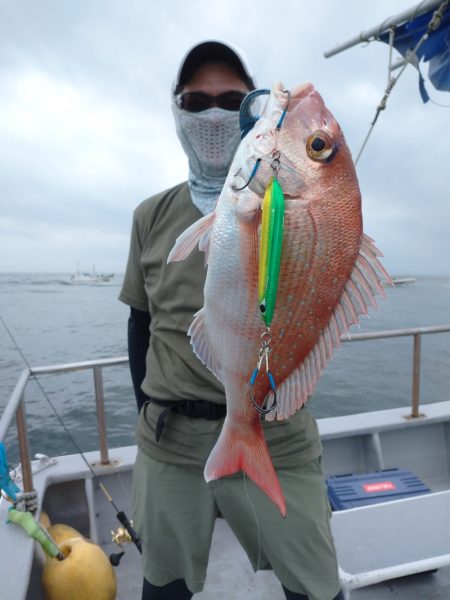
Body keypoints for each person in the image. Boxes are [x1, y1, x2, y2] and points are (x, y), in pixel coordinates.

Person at [119, 40, 344, 600]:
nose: (213, 112)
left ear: (255, 108)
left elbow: (325, 272)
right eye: (196, 101)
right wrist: (147, 407)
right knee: (163, 589)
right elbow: (140, 323)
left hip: (276, 432)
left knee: (315, 589)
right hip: (169, 441)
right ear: (177, 111)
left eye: (230, 99)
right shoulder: (151, 216)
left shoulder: (289, 203)